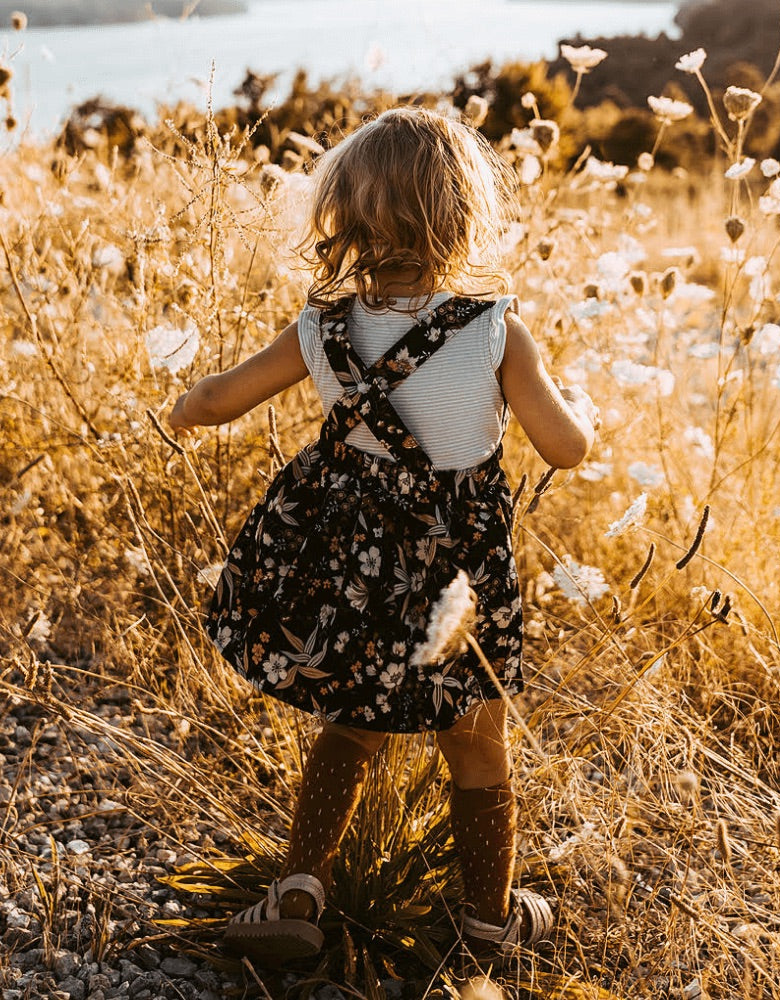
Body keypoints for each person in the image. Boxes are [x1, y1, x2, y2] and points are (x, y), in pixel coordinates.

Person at [169, 106, 598, 966]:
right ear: (463, 214)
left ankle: (298, 890)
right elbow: (567, 448)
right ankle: (486, 922)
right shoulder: (494, 331)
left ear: (347, 214)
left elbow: (219, 399)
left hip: (349, 568)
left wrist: (183, 407)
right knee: (477, 741)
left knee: (349, 720)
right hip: (457, 581)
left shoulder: (321, 327)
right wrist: (579, 409)